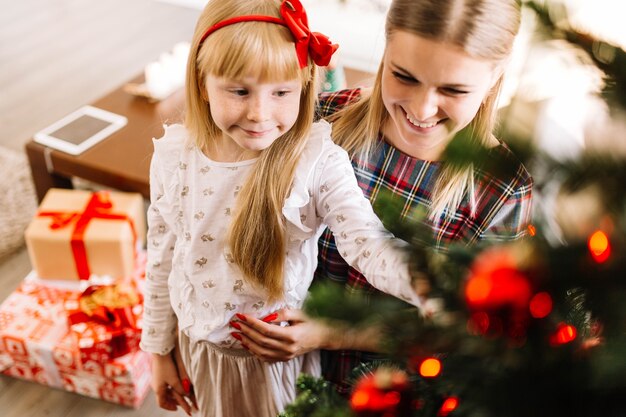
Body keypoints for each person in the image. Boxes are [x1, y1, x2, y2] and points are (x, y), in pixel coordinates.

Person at [139, 0, 426, 415]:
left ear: (304, 86)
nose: (260, 113)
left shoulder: (316, 162)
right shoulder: (173, 156)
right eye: (239, 91)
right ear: (203, 83)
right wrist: (158, 351)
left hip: (273, 366)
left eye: (281, 93)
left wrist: (427, 283)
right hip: (196, 351)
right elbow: (163, 258)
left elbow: (366, 240)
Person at [232, 0, 534, 396]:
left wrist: (334, 332)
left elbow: (474, 334)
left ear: (495, 76)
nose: (422, 109)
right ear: (385, 50)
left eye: (453, 89)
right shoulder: (325, 119)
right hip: (282, 379)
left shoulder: (502, 191)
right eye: (404, 76)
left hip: (398, 393)